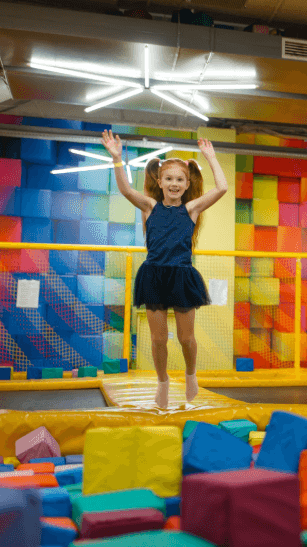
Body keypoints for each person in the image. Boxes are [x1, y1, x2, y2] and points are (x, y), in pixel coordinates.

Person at [101, 130, 227, 408]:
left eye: (179, 179)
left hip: (182, 275)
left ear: (186, 184)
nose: (174, 183)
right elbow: (125, 189)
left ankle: (191, 375)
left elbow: (221, 189)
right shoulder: (149, 206)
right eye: (168, 178)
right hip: (154, 274)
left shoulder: (192, 209)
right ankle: (162, 383)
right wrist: (118, 158)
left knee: (186, 338)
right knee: (159, 339)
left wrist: (212, 157)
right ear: (159, 182)